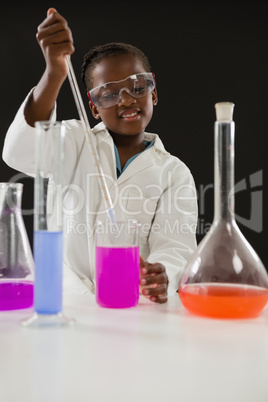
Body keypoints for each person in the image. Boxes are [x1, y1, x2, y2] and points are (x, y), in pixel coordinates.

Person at [2, 8, 198, 304]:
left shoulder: (173, 172)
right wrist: (55, 74)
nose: (127, 99)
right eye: (107, 94)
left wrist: (162, 275)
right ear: (94, 108)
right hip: (66, 299)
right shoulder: (75, 140)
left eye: (137, 86)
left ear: (153, 92)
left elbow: (176, 247)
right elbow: (20, 151)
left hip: (133, 304)